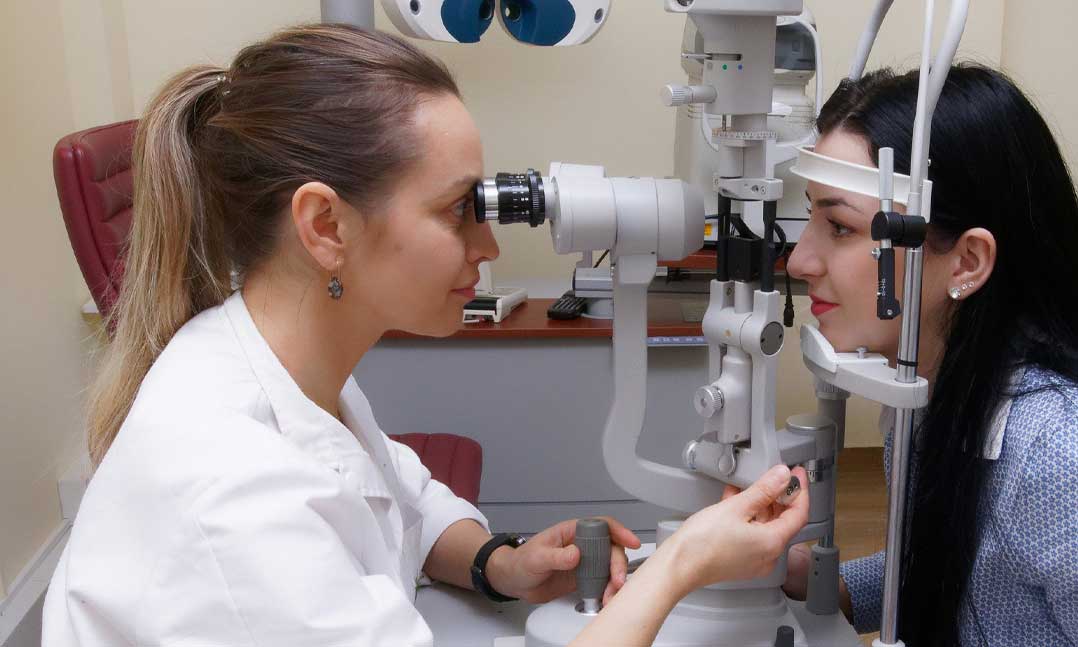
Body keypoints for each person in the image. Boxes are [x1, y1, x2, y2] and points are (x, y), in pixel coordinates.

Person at [43, 24, 808, 646]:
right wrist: (682, 564)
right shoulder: (231, 497)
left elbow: (392, 487)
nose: (488, 247)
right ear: (325, 226)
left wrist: (494, 562)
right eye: (455, 212)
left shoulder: (279, 361)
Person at [785, 64, 1078, 646]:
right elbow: (954, 573)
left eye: (840, 227)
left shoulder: (1055, 459)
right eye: (812, 217)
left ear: (966, 262)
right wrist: (812, 582)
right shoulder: (923, 395)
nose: (799, 261)